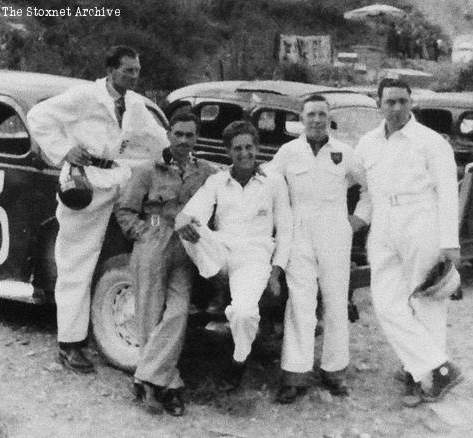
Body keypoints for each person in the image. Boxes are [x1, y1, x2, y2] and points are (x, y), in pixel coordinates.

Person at [27, 45, 169, 373]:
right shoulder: (83, 96)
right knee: (77, 261)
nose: (134, 76)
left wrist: (179, 156)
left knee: (152, 229)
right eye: (127, 71)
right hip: (85, 183)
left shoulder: (133, 104)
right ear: (110, 69)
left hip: (118, 178)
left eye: (136, 71)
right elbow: (38, 117)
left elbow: (158, 138)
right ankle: (70, 344)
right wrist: (65, 150)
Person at [351, 78, 462, 407]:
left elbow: (447, 192)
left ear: (411, 102)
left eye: (402, 101)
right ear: (378, 104)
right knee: (386, 305)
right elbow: (365, 191)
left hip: (420, 221)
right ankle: (436, 368)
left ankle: (423, 377)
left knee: (425, 302)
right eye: (390, 102)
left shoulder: (430, 142)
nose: (397, 107)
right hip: (384, 224)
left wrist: (449, 241)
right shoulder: (367, 143)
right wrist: (354, 222)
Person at [175, 120, 292, 392]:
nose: (244, 154)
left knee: (243, 313)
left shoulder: (273, 182)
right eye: (237, 148)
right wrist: (183, 218)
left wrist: (277, 271)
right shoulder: (217, 180)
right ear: (229, 151)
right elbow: (194, 212)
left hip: (254, 258)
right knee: (187, 226)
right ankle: (219, 283)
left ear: (257, 148)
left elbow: (286, 230)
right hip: (221, 254)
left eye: (249, 147)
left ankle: (239, 360)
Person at [115, 112, 216, 416]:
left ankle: (144, 377)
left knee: (178, 312)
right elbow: (126, 211)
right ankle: (166, 384)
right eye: (179, 134)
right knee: (149, 314)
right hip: (155, 237)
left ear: (197, 138)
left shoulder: (205, 172)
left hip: (186, 247)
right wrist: (146, 232)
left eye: (190, 135)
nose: (184, 140)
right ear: (169, 135)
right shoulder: (149, 170)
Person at [267, 94, 364, 404]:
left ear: (329, 117)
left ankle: (334, 372)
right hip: (299, 231)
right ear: (302, 117)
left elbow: (368, 190)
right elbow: (269, 183)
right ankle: (295, 374)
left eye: (322, 114)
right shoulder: (287, 152)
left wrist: (355, 221)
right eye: (311, 114)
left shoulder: (344, 153)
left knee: (336, 302)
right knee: (300, 303)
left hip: (335, 231)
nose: (317, 120)